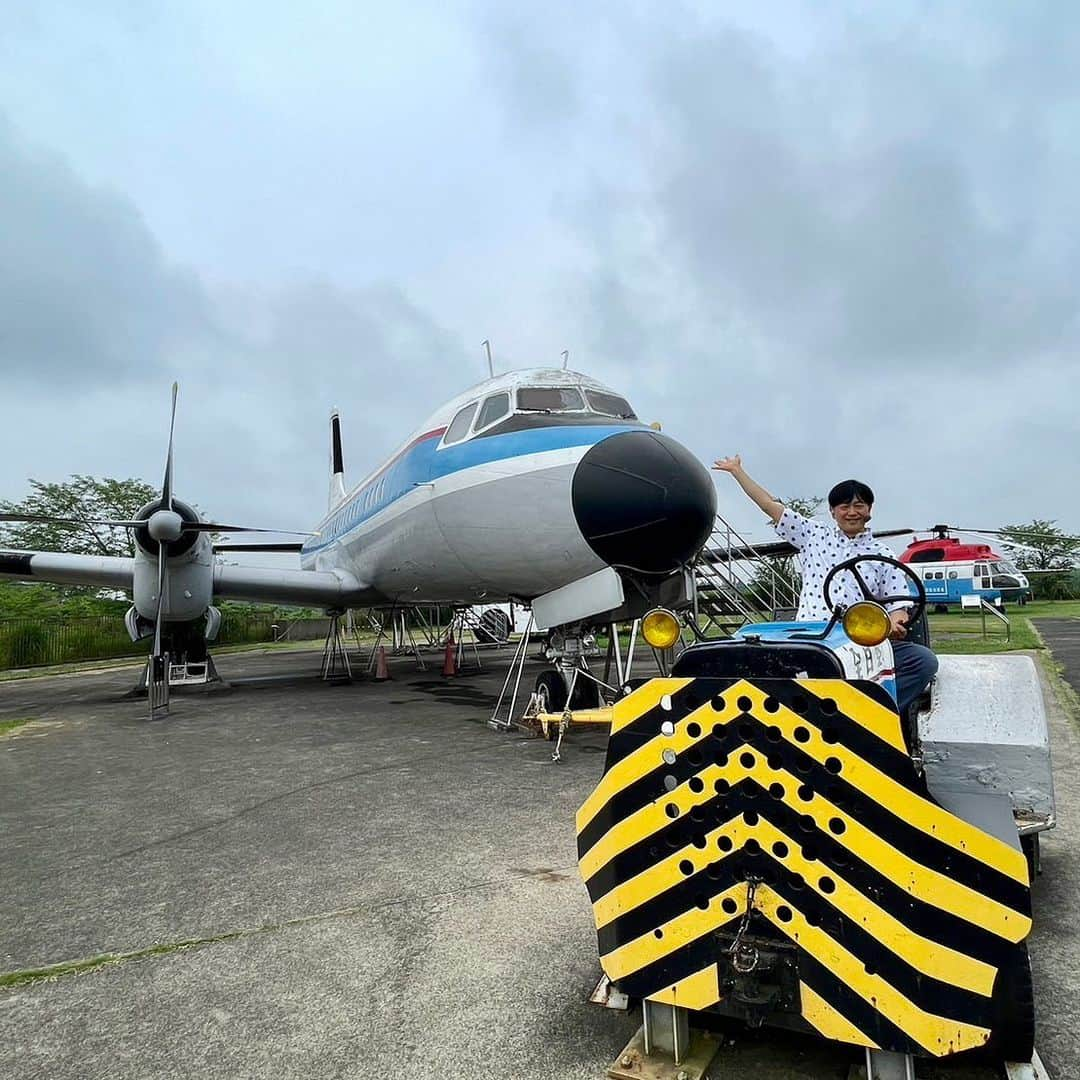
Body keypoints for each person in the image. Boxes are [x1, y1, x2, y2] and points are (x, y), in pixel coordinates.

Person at [712, 454, 938, 719]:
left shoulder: (882, 554)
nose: (852, 512)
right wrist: (738, 471)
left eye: (859, 505)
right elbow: (769, 505)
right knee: (741, 656)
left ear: (869, 510)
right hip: (811, 635)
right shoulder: (812, 535)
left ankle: (870, 716)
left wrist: (895, 622)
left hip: (859, 639)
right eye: (844, 506)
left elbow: (897, 604)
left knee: (922, 661)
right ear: (833, 511)